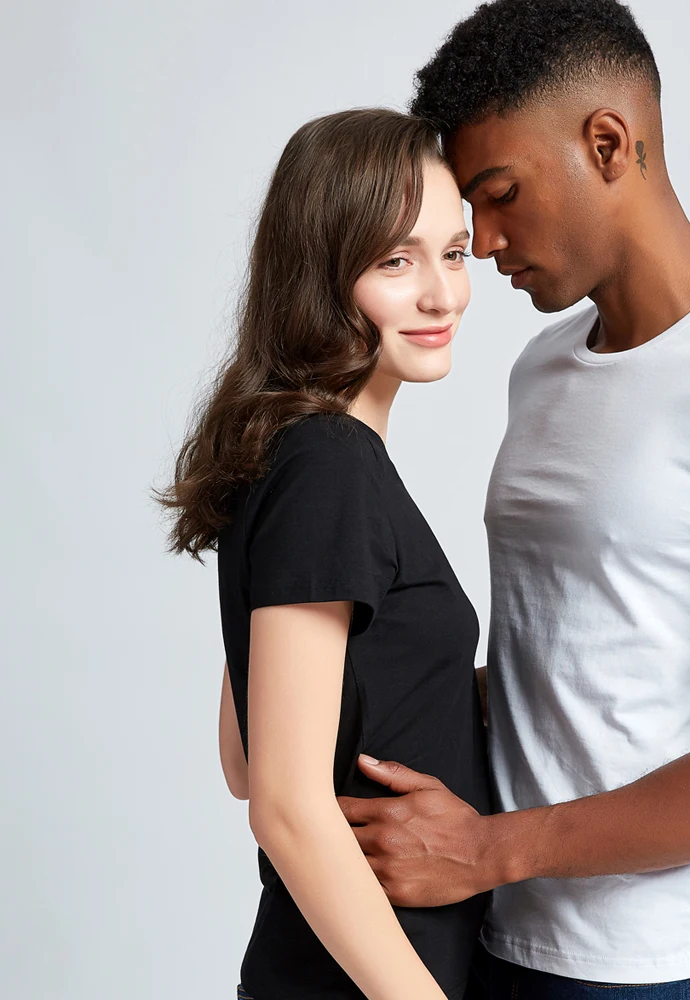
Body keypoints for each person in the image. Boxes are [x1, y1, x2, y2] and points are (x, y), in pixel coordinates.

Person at [335, 3, 690, 999]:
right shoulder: (542, 368)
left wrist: (491, 849)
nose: (482, 242)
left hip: (668, 966)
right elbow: (575, 655)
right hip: (502, 935)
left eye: (501, 194)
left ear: (608, 144)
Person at [158, 109, 491, 1000]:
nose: (442, 295)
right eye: (396, 262)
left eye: (453, 252)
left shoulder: (295, 453)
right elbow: (281, 804)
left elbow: (245, 759)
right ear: (321, 272)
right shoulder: (329, 466)